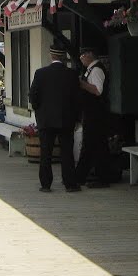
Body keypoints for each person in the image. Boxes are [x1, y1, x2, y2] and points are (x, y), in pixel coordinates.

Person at [28, 42, 81, 193]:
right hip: (66, 119)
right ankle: (70, 183)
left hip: (46, 119)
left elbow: (33, 96)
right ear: (64, 56)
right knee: (66, 152)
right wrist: (77, 118)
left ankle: (46, 184)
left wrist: (39, 111)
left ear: (51, 55)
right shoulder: (72, 74)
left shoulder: (40, 73)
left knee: (46, 153)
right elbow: (77, 99)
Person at [76, 46, 112, 188]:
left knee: (90, 144)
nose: (81, 58)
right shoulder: (90, 69)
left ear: (90, 54)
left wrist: (81, 84)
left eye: (82, 55)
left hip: (96, 113)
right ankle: (101, 176)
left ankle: (80, 177)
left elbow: (98, 90)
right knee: (98, 146)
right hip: (91, 112)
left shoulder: (96, 70)